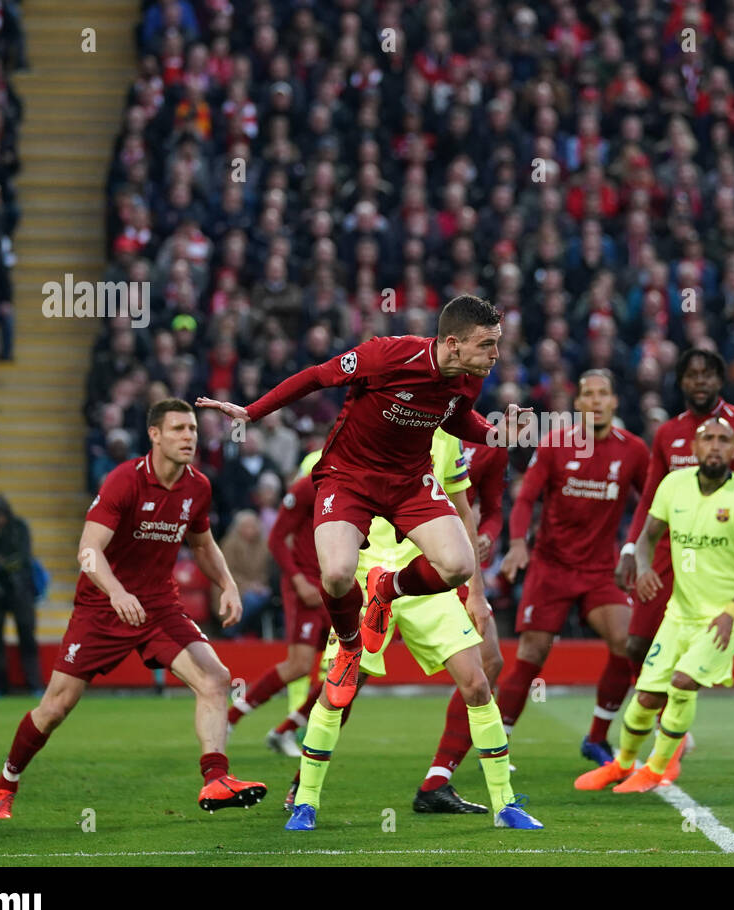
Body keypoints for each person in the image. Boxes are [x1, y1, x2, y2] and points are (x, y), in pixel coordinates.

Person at [195, 295, 533, 736]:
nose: (496, 355)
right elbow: (317, 377)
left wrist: (493, 433)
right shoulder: (387, 354)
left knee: (459, 565)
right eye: (488, 345)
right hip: (348, 476)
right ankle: (352, 644)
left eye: (497, 344)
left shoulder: (469, 377)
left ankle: (386, 589)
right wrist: (252, 411)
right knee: (335, 575)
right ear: (453, 343)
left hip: (409, 480)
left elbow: (455, 418)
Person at [0, 399, 267, 819]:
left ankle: (215, 780)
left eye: (192, 429)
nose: (189, 437)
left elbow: (203, 545)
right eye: (178, 430)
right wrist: (116, 592)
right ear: (154, 435)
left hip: (158, 607)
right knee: (56, 706)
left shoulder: (198, 487)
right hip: (101, 607)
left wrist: (228, 585)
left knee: (215, 677)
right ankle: (6, 783)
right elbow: (88, 550)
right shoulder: (124, 481)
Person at [286, 427, 541, 829]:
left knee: (476, 683)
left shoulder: (448, 437)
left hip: (424, 579)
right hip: (369, 572)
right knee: (338, 692)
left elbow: (461, 512)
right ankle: (305, 801)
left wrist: (475, 593)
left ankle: (505, 805)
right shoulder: (365, 422)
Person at [575, 417, 734, 792]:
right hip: (679, 613)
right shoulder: (673, 485)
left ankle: (657, 768)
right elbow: (648, 536)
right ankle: (621, 764)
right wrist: (644, 567)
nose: (714, 446)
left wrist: (731, 612)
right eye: (707, 439)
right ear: (694, 449)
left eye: (723, 440)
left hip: (726, 615)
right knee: (647, 695)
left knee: (682, 684)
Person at [613, 348, 734, 732]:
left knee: (695, 651)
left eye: (708, 375)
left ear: (720, 381)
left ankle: (675, 722)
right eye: (692, 375)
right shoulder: (667, 432)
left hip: (718, 551)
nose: (700, 382)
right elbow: (648, 496)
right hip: (668, 548)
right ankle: (665, 715)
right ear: (681, 382)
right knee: (635, 644)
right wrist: (632, 548)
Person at [497, 368, 649, 765]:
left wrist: (637, 549)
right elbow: (526, 498)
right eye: (588, 394)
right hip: (552, 566)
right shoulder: (554, 445)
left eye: (603, 394)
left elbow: (653, 504)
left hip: (601, 570)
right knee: (533, 651)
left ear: (614, 402)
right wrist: (516, 544)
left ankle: (597, 738)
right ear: (578, 403)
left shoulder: (633, 450)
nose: (596, 401)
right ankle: (498, 742)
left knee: (627, 642)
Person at [410, 431, 510, 810]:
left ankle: (438, 778)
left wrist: (486, 536)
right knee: (350, 678)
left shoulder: (489, 440)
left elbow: (492, 507)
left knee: (488, 663)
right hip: (400, 556)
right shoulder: (409, 417)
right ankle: (302, 783)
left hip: (457, 564)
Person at [228, 476, 333, 759]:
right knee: (299, 665)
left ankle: (286, 729)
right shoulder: (309, 486)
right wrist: (299, 580)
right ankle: (229, 719)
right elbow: (276, 539)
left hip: (338, 586)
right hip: (307, 587)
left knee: (349, 671)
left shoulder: (362, 484)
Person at [0, 495, 41, 695]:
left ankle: (35, 684)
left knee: (27, 635)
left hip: (20, 589)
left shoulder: (18, 528)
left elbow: (22, 557)